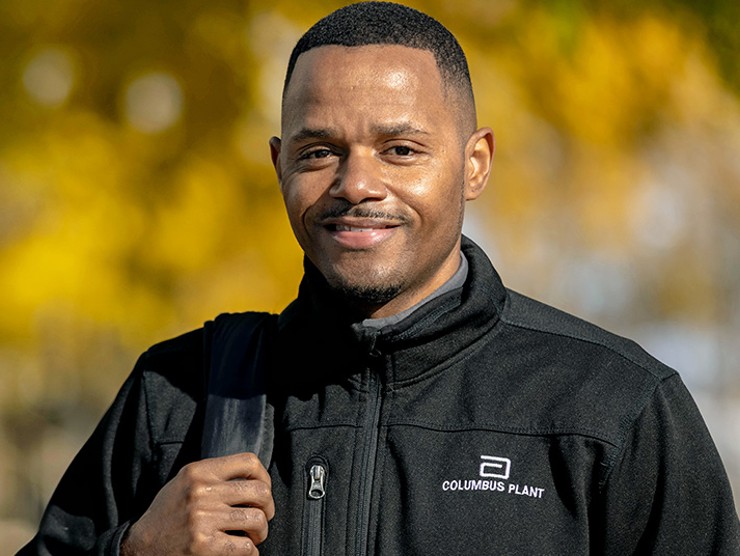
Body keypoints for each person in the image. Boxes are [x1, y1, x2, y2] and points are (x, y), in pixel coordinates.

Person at [19, 2, 740, 554]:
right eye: (318, 151)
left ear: (475, 163)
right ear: (279, 166)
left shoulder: (611, 408)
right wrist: (133, 550)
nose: (356, 184)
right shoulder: (176, 394)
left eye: (400, 149)